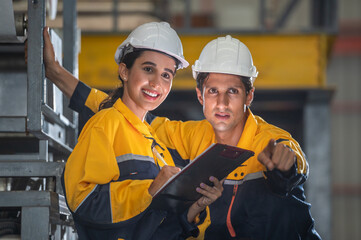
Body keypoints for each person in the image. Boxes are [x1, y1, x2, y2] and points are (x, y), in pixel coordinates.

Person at [45, 30, 320, 239]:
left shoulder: (268, 139)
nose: (222, 103)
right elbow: (130, 112)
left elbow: (293, 159)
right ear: (200, 95)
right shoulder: (193, 136)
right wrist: (56, 74)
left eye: (233, 92)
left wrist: (287, 165)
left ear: (249, 95)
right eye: (213, 91)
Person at [45, 22, 223, 240]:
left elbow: (156, 226)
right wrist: (149, 191)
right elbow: (82, 201)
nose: (157, 83)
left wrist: (195, 208)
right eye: (148, 69)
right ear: (124, 71)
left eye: (167, 75)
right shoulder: (106, 124)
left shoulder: (154, 143)